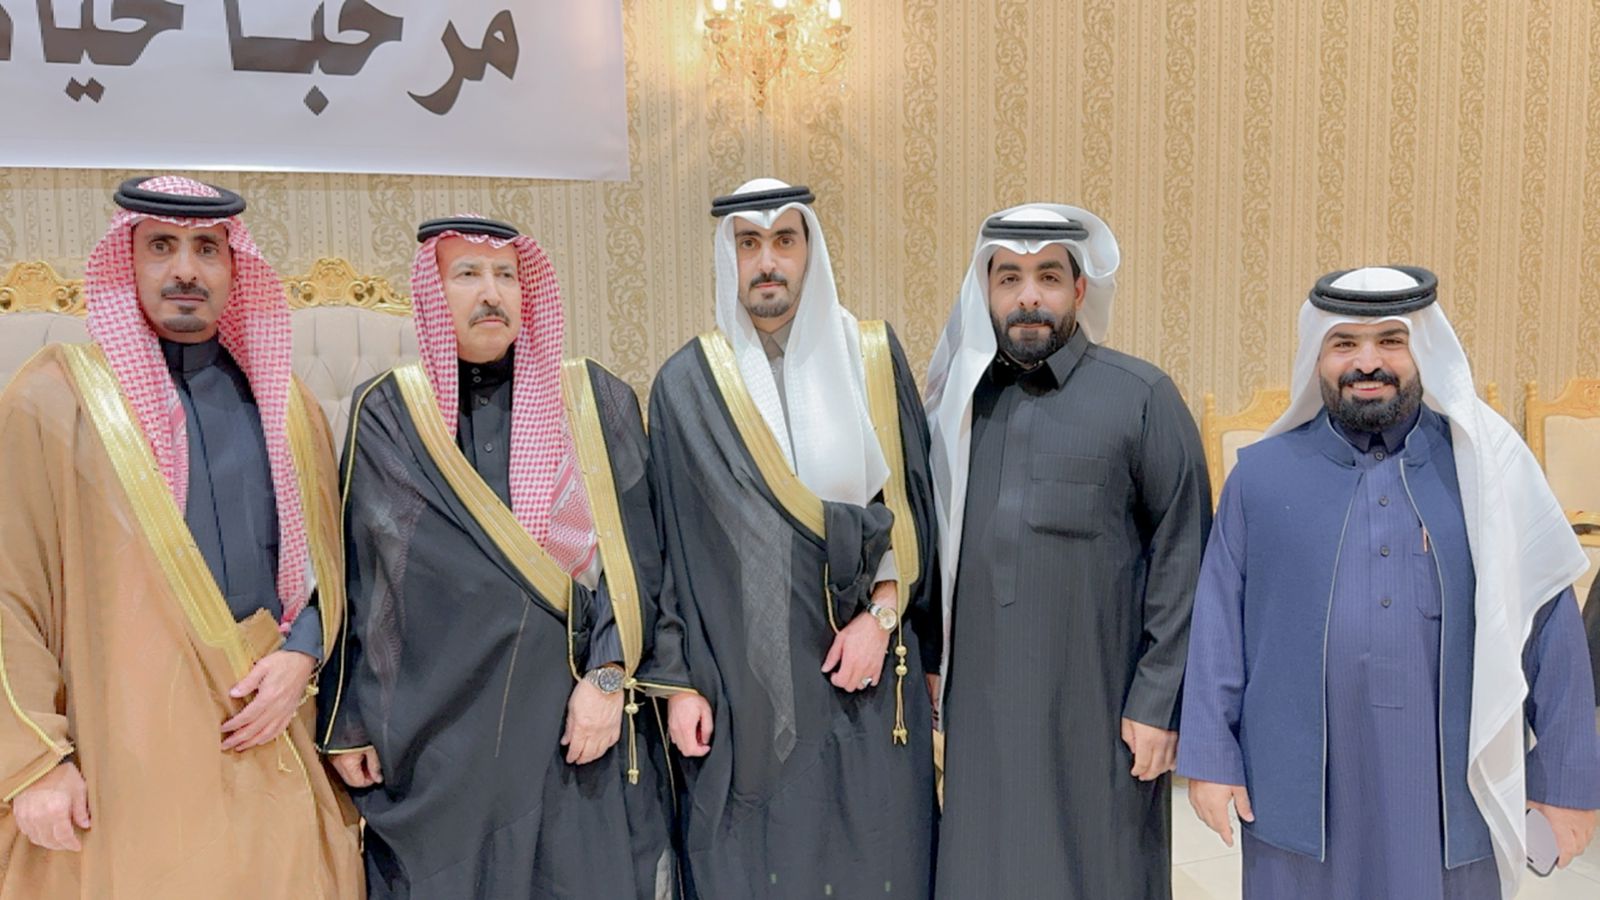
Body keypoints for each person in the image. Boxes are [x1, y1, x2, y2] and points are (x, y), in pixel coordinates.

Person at [1178, 266, 1600, 898]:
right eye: (1344, 343)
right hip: (1294, 784)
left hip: (1449, 787)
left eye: (1391, 341)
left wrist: (1565, 780)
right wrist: (1212, 758)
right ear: (1317, 356)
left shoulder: (1487, 470)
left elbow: (1551, 629)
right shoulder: (1259, 479)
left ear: (1423, 349)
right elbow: (1217, 626)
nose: (1367, 362)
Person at [0, 175, 360, 897]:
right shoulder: (53, 398)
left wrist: (302, 653)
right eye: (161, 247)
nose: (186, 270)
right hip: (121, 745)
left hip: (269, 728)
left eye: (207, 249)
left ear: (235, 268)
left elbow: (334, 566)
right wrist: (35, 761)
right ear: (127, 263)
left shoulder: (287, 406)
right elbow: (9, 591)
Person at [318, 216, 677, 898]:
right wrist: (350, 724)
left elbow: (639, 561)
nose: (492, 293)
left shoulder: (594, 401)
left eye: (506, 276)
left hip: (574, 720)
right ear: (432, 292)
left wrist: (606, 680)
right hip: (442, 728)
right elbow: (362, 579)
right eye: (468, 275)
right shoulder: (389, 411)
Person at [647, 179, 939, 898]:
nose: (768, 261)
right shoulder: (687, 385)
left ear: (811, 249)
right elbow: (670, 553)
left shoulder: (870, 358)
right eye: (749, 243)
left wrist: (881, 621)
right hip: (744, 680)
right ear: (729, 257)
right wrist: (680, 685)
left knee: (875, 856)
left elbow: (910, 512)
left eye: (784, 240)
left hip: (863, 661)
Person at [922, 203, 1211, 899]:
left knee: (1101, 870)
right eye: (1009, 278)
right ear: (985, 290)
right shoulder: (955, 405)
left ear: (1079, 290)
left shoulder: (1142, 396)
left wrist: (1159, 702)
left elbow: (1186, 555)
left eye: (1048, 277)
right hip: (980, 709)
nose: (1029, 297)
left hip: (1098, 707)